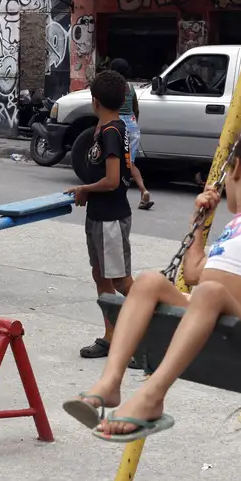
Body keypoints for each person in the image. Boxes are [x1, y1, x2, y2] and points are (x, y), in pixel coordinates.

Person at [63, 120, 241, 442]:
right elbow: (194, 274)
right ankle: (110, 383)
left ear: (236, 168)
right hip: (211, 314)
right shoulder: (237, 225)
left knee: (211, 292)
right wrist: (198, 226)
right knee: (149, 281)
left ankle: (152, 396)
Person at [68, 70, 136, 361]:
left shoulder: (111, 133)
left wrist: (84, 188)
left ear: (95, 101)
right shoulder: (107, 127)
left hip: (111, 218)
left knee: (121, 282)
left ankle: (147, 340)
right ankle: (111, 337)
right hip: (98, 215)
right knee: (101, 277)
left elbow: (111, 180)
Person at [108, 58, 153, 211]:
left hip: (118, 124)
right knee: (129, 163)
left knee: (114, 160)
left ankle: (115, 195)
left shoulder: (112, 88)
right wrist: (133, 126)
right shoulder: (131, 88)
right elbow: (136, 109)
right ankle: (144, 191)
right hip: (133, 126)